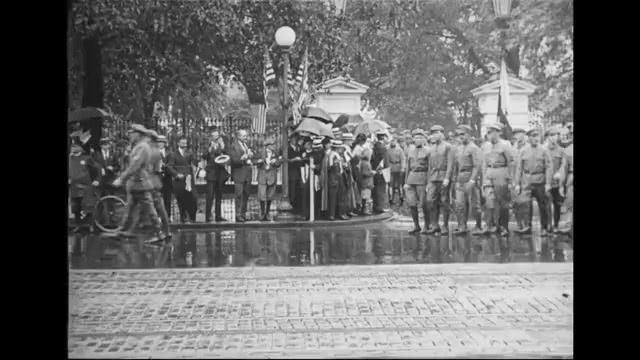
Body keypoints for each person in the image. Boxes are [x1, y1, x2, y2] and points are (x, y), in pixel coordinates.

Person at [113, 124, 164, 242]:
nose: (130, 135)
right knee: (129, 208)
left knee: (150, 210)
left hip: (141, 183)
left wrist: (121, 178)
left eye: (132, 133)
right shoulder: (137, 146)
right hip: (135, 184)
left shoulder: (142, 147)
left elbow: (134, 166)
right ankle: (123, 231)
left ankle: (159, 233)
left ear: (138, 134)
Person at [514, 128, 553, 236]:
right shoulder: (523, 150)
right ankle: (527, 226)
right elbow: (519, 168)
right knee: (526, 205)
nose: (536, 138)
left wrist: (548, 183)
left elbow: (549, 168)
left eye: (537, 136)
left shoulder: (544, 150)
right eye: (533, 136)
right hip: (526, 181)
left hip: (540, 180)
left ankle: (544, 227)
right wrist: (517, 184)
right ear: (529, 138)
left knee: (543, 205)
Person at [481, 123, 514, 236]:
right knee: (489, 201)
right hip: (489, 172)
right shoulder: (485, 146)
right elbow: (484, 162)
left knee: (502, 202)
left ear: (498, 132)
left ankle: (503, 226)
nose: (489, 134)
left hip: (501, 172)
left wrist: (510, 180)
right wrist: (484, 178)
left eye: (492, 132)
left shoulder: (505, 145)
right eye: (488, 132)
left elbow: (510, 162)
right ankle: (488, 225)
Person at [423, 125, 454, 235]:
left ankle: (445, 226)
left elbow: (450, 164)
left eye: (436, 133)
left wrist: (447, 178)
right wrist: (428, 182)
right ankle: (435, 225)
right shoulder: (431, 148)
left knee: (444, 201)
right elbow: (429, 167)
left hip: (443, 176)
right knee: (430, 201)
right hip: (433, 177)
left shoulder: (448, 146)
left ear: (442, 133)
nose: (434, 135)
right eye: (433, 133)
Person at [452, 125, 482, 235]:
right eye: (459, 134)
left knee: (475, 204)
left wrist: (472, 181)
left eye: (463, 134)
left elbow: (477, 166)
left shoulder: (474, 148)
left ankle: (478, 226)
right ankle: (462, 226)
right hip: (460, 178)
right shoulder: (458, 148)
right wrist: (455, 178)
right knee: (459, 204)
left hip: (471, 177)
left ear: (469, 135)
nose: (461, 137)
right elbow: (456, 165)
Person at [69, 143, 101, 231]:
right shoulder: (69, 158)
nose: (73, 148)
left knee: (88, 207)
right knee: (76, 207)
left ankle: (91, 225)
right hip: (74, 187)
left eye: (75, 146)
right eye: (72, 146)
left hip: (86, 187)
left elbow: (98, 168)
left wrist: (97, 180)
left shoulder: (87, 158)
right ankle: (77, 225)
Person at [146, 130, 171, 239]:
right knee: (160, 207)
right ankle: (167, 231)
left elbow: (151, 168)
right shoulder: (155, 151)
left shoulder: (150, 151)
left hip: (151, 181)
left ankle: (158, 233)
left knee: (152, 208)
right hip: (156, 181)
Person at [404, 129, 429, 234]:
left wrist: (428, 182)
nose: (418, 139)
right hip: (411, 179)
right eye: (416, 137)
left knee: (424, 204)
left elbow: (430, 168)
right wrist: (405, 182)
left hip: (422, 178)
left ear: (424, 139)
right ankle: (416, 226)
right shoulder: (410, 151)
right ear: (413, 139)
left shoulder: (428, 151)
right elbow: (407, 168)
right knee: (411, 204)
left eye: (420, 137)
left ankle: (427, 226)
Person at [166, 137, 197, 223]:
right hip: (179, 181)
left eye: (185, 143)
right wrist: (176, 174)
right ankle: (183, 217)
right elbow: (169, 166)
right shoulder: (173, 154)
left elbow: (193, 163)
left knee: (192, 198)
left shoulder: (189, 153)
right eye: (182, 143)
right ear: (178, 144)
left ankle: (192, 217)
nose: (184, 145)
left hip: (189, 179)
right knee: (181, 199)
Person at [202, 128, 229, 222]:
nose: (216, 138)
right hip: (211, 173)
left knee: (219, 195)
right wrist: (210, 149)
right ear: (211, 137)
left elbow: (227, 154)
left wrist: (222, 147)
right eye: (214, 136)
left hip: (220, 173)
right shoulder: (208, 145)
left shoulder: (222, 145)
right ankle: (208, 215)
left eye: (217, 136)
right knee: (210, 195)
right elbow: (204, 156)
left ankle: (218, 215)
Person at [228, 129, 254, 223]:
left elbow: (249, 156)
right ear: (238, 136)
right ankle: (238, 215)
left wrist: (251, 155)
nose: (246, 137)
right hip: (239, 174)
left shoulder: (246, 145)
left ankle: (243, 213)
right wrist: (243, 158)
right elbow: (234, 161)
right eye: (244, 136)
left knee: (246, 194)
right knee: (239, 194)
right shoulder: (233, 146)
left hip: (247, 173)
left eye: (246, 136)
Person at [256, 138, 283, 221]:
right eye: (272, 145)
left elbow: (280, 162)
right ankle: (262, 213)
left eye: (274, 145)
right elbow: (255, 161)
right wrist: (259, 161)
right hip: (262, 176)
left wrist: (276, 161)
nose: (274, 146)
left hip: (272, 176)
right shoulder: (260, 152)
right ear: (268, 146)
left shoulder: (276, 153)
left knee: (270, 195)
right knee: (262, 195)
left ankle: (267, 213)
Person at [544, 126, 564, 233]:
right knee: (547, 204)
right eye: (551, 135)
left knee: (557, 204)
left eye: (556, 135)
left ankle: (556, 224)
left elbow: (564, 165)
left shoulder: (561, 150)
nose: (554, 138)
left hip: (557, 182)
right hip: (546, 182)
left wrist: (559, 173)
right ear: (547, 137)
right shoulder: (543, 150)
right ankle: (548, 225)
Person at [509, 128, 530, 232]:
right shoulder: (513, 148)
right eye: (515, 134)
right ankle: (519, 224)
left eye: (519, 134)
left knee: (525, 203)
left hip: (525, 178)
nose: (517, 136)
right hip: (514, 178)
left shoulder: (528, 147)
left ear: (524, 134)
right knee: (515, 203)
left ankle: (526, 224)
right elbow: (510, 164)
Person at [556, 129, 573, 235]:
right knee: (569, 203)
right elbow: (563, 169)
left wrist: (561, 186)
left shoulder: (568, 150)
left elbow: (563, 169)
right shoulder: (568, 150)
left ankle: (567, 225)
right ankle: (567, 225)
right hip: (571, 177)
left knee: (569, 204)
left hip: (571, 177)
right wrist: (561, 185)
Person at [327, 139, 349, 220]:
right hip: (335, 176)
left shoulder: (337, 155)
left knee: (339, 195)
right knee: (335, 196)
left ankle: (337, 213)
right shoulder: (333, 155)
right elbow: (330, 166)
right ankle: (336, 214)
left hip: (338, 175)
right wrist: (336, 163)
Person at [340, 133, 358, 217]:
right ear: (346, 141)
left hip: (349, 171)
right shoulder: (345, 149)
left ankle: (349, 209)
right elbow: (349, 160)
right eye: (350, 140)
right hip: (347, 172)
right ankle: (348, 210)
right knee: (348, 191)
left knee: (350, 191)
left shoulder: (347, 148)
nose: (351, 142)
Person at [371, 130, 390, 213]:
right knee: (381, 189)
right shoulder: (383, 147)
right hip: (381, 170)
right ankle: (379, 207)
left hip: (375, 170)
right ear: (383, 137)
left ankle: (376, 206)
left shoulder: (375, 146)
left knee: (377, 189)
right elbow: (384, 161)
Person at [156, 135, 173, 221]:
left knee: (167, 197)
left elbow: (171, 164)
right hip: (157, 177)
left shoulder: (169, 153)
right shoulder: (154, 152)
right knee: (157, 198)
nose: (160, 144)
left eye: (162, 142)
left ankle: (168, 216)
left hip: (167, 177)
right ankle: (158, 216)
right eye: (159, 142)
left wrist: (165, 166)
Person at [287, 134, 304, 214]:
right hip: (291, 170)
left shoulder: (299, 147)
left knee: (298, 188)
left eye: (296, 139)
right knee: (292, 188)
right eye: (293, 139)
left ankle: (297, 205)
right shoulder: (287, 148)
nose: (295, 141)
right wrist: (293, 159)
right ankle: (292, 203)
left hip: (299, 170)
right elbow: (286, 159)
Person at [386, 137, 405, 204]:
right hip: (391, 167)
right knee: (391, 184)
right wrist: (387, 168)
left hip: (398, 166)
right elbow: (387, 160)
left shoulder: (399, 150)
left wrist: (402, 168)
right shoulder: (388, 150)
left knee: (399, 184)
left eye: (393, 141)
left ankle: (401, 197)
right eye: (391, 141)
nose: (392, 142)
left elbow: (402, 159)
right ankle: (391, 198)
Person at [359, 148, 375, 215]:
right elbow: (364, 173)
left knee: (365, 197)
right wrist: (372, 173)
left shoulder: (363, 162)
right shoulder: (365, 163)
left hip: (366, 182)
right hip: (366, 182)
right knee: (366, 197)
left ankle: (365, 209)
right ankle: (365, 210)